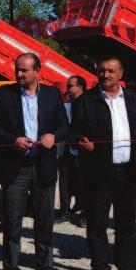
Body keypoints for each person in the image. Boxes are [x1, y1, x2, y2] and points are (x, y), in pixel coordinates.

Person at [0, 53, 67, 270]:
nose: (19, 74)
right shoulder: (5, 94)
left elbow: (64, 126)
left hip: (44, 166)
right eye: (17, 70)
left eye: (24, 70)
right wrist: (13, 140)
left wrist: (54, 136)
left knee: (45, 223)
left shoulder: (53, 95)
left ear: (37, 71)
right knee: (12, 222)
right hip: (15, 167)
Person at [70, 57, 136, 270]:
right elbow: (73, 131)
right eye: (102, 71)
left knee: (127, 223)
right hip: (99, 172)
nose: (105, 75)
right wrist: (82, 142)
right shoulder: (87, 100)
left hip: (128, 171)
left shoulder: (134, 100)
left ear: (121, 74)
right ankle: (99, 268)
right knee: (97, 222)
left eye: (111, 71)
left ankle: (127, 269)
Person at [57, 75, 87, 227]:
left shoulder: (88, 104)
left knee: (83, 182)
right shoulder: (69, 104)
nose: (67, 89)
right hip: (66, 149)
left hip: (81, 151)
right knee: (64, 182)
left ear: (80, 87)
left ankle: (85, 212)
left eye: (70, 86)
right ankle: (64, 211)